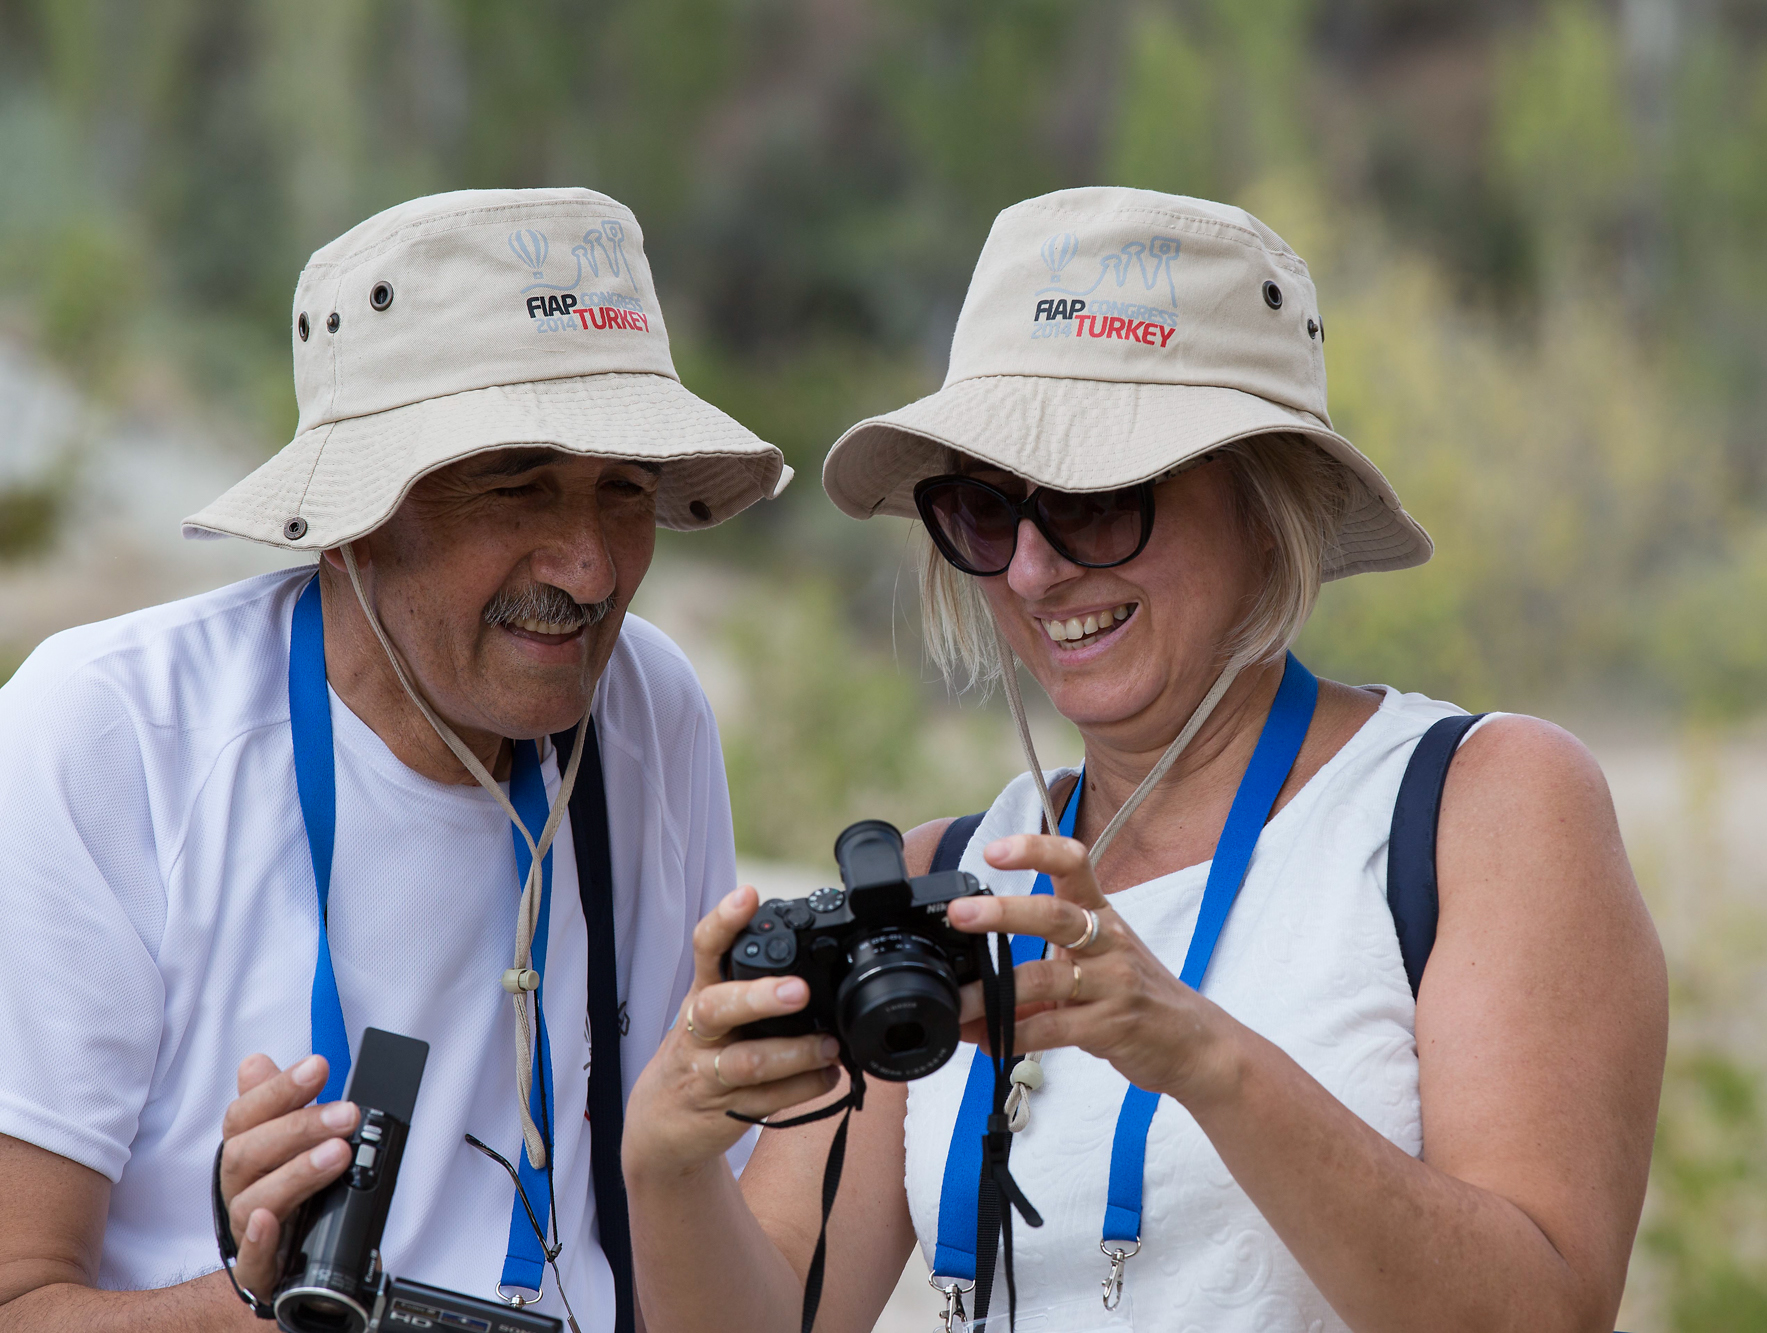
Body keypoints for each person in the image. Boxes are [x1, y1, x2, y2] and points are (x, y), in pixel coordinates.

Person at [616, 187, 1669, 1333]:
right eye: (983, 511)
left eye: (1095, 499)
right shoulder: (945, 881)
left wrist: (1200, 1054)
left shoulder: (1476, 808)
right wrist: (665, 1163)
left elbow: (1544, 1312)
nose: (1032, 571)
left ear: (1267, 503)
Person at [0, 187, 788, 1332]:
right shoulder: (116, 730)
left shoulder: (647, 709)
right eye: (516, 482)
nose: (587, 568)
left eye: (625, 488)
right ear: (355, 515)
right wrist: (255, 1301)